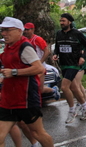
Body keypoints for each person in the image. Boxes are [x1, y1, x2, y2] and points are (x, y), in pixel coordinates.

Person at [0, 17, 54, 147]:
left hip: (25, 99)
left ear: (19, 31)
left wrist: (14, 72)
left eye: (7, 30)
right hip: (8, 99)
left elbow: (39, 68)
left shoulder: (25, 47)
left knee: (37, 133)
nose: (4, 33)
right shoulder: (7, 47)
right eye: (2, 30)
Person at [52, 13, 86, 123]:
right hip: (63, 64)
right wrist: (56, 54)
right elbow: (57, 46)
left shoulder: (77, 33)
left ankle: (72, 110)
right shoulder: (59, 33)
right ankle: (85, 106)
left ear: (69, 22)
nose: (61, 23)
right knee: (74, 88)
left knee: (64, 87)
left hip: (73, 64)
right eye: (60, 21)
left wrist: (83, 57)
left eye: (63, 21)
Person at [23, 22, 60, 100]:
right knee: (35, 88)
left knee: (39, 89)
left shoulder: (38, 39)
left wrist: (40, 62)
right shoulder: (25, 40)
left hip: (40, 67)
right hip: (30, 67)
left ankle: (53, 90)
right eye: (25, 30)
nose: (25, 31)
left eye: (27, 30)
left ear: (33, 29)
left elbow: (47, 51)